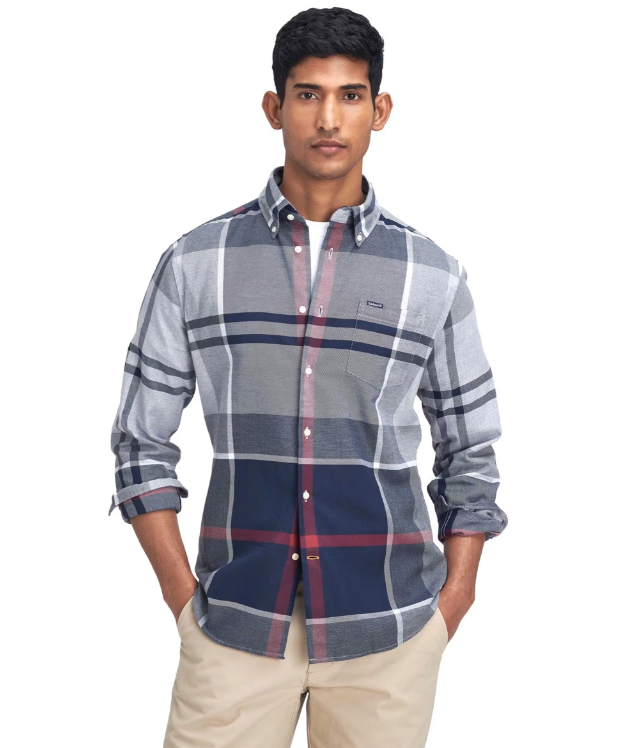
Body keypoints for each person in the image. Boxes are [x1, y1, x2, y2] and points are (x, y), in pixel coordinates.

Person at [109, 7, 508, 748]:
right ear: (274, 107)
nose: (329, 118)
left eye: (350, 95)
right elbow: (140, 444)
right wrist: (180, 598)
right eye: (307, 94)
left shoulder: (433, 274)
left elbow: (470, 453)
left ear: (379, 110)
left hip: (388, 632)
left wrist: (454, 600)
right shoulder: (195, 262)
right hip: (234, 627)